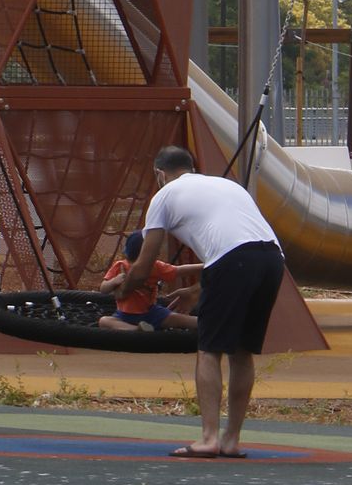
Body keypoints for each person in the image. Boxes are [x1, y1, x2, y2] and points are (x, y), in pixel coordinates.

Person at [115, 146, 285, 459]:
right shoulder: (226, 185)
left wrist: (122, 291)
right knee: (242, 351)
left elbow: (145, 263)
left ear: (159, 174)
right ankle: (231, 440)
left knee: (209, 350)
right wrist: (197, 288)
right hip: (272, 259)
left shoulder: (164, 195)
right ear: (191, 167)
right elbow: (238, 243)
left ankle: (209, 438)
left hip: (233, 261)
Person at [101, 228, 187, 330]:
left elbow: (178, 270)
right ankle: (138, 329)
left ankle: (136, 330)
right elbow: (103, 288)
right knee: (104, 321)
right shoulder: (121, 266)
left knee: (104, 321)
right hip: (128, 315)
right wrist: (114, 281)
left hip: (149, 312)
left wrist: (202, 266)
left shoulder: (155, 266)